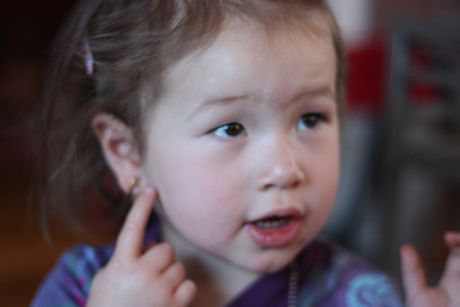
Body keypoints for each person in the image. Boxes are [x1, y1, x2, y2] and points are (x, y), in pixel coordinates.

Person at [32, 0, 460, 306]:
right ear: (127, 153)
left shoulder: (359, 295)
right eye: (230, 128)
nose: (284, 170)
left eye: (310, 119)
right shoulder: (85, 288)